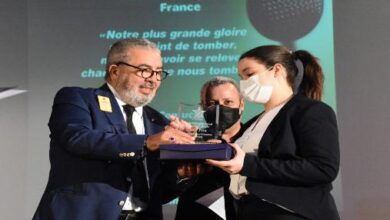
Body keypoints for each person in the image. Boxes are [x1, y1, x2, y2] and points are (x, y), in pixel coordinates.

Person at [33, 38, 197, 220]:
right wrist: (146, 142)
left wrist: (182, 171)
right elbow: (76, 138)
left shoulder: (158, 121)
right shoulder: (78, 99)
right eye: (144, 70)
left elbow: (158, 193)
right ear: (115, 71)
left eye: (158, 73)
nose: (153, 79)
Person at [207, 45, 340, 220]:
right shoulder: (253, 123)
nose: (244, 83)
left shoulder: (311, 111)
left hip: (290, 213)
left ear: (277, 70)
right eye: (241, 77)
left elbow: (323, 168)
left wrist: (247, 164)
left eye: (249, 74)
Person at [175, 77, 244, 220]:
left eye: (228, 102)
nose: (220, 108)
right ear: (202, 108)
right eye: (212, 104)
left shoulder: (255, 138)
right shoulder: (190, 141)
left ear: (241, 105)